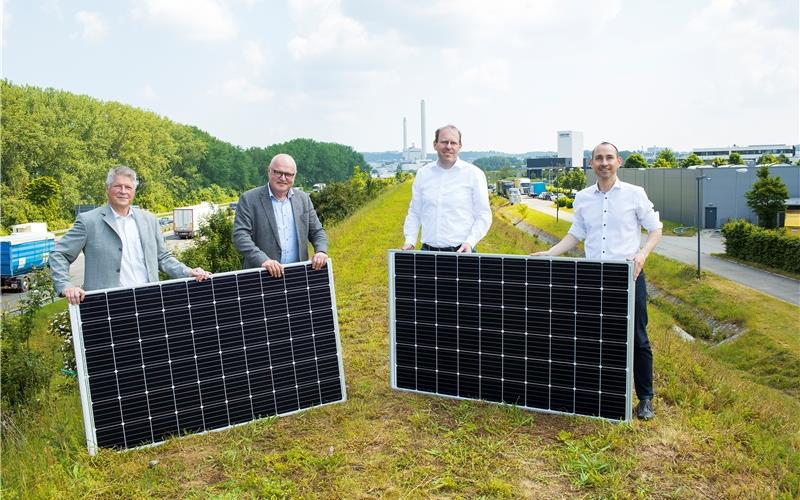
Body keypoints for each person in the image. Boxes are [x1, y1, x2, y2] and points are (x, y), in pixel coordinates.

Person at [531, 142, 663, 420]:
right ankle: (598, 391)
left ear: (619, 162)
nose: (604, 163)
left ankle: (646, 398)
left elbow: (655, 229)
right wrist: (550, 252)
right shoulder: (583, 198)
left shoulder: (634, 194)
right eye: (599, 158)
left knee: (637, 338)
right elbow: (575, 234)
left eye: (609, 158)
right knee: (593, 337)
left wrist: (642, 254)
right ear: (591, 163)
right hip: (592, 277)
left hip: (628, 276)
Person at [50, 166, 210, 304]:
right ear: (107, 188)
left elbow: (163, 258)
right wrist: (65, 285)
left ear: (134, 191)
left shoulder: (149, 219)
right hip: (106, 305)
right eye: (117, 186)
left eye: (128, 187)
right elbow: (59, 254)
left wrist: (188, 271)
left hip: (149, 300)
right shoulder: (88, 221)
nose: (123, 191)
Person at [233, 153, 328, 278]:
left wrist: (321, 251)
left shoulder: (303, 199)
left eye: (288, 174)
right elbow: (240, 237)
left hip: (296, 276)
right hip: (262, 277)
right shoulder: (249, 199)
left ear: (294, 176)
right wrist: (264, 260)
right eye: (278, 172)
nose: (283, 178)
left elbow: (317, 231)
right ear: (269, 171)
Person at [402, 125, 492, 252]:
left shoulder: (474, 174)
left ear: (460, 146)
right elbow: (415, 212)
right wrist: (410, 241)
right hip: (428, 252)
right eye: (444, 142)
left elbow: (483, 214)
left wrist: (470, 242)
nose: (448, 146)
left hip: (462, 252)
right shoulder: (423, 173)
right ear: (435, 144)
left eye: (453, 143)